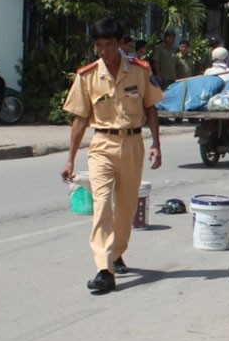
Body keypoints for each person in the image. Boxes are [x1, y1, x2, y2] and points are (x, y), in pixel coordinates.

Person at [60, 17, 163, 294]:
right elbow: (80, 119)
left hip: (132, 144)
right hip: (102, 145)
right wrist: (70, 158)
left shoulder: (140, 71)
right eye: (98, 45)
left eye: (108, 45)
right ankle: (104, 269)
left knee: (126, 207)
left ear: (120, 44)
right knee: (102, 204)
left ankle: (117, 252)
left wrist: (156, 143)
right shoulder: (87, 76)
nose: (103, 51)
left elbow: (151, 107)